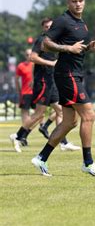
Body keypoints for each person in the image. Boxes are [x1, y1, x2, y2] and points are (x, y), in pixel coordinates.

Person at [31, 0, 95, 177]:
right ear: (68, 3)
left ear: (84, 1)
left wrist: (88, 48)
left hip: (75, 74)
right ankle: (88, 163)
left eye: (80, 0)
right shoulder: (63, 20)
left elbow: (77, 49)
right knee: (89, 116)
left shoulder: (81, 23)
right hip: (67, 75)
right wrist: (67, 48)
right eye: (74, 1)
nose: (78, 4)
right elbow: (45, 43)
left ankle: (41, 158)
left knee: (69, 122)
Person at [10, 18, 80, 152]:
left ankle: (63, 142)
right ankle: (18, 136)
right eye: (46, 27)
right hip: (42, 82)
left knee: (60, 111)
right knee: (38, 114)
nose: (49, 28)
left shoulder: (54, 42)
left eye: (51, 26)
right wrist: (51, 64)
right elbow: (33, 58)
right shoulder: (42, 40)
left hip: (51, 81)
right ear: (43, 29)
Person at [10, 49, 36, 148]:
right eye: (27, 54)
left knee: (40, 116)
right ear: (25, 55)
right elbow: (16, 79)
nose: (28, 56)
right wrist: (18, 91)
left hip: (36, 93)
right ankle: (22, 137)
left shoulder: (36, 64)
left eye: (30, 54)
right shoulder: (21, 66)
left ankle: (24, 134)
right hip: (25, 93)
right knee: (25, 114)